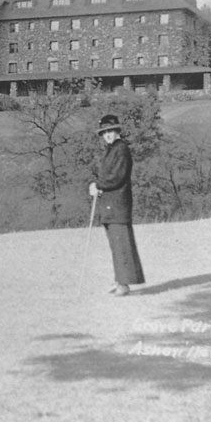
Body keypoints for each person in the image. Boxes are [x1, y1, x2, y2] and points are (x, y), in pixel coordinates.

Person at [88, 114, 145, 296]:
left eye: (110, 131)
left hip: (118, 203)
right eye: (104, 132)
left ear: (117, 131)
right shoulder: (111, 149)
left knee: (121, 244)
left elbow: (117, 177)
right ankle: (119, 280)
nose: (108, 135)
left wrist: (98, 185)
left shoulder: (121, 149)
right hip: (110, 203)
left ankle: (124, 284)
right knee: (116, 244)